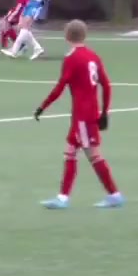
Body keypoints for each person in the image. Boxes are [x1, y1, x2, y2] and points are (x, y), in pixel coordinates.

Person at [34, 20, 122, 210]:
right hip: (85, 115)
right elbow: (106, 85)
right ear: (85, 35)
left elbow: (60, 87)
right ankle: (63, 198)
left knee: (93, 155)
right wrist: (105, 112)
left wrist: (43, 106)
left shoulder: (72, 59)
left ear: (66, 36)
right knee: (70, 153)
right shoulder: (93, 56)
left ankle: (114, 194)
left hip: (83, 116)